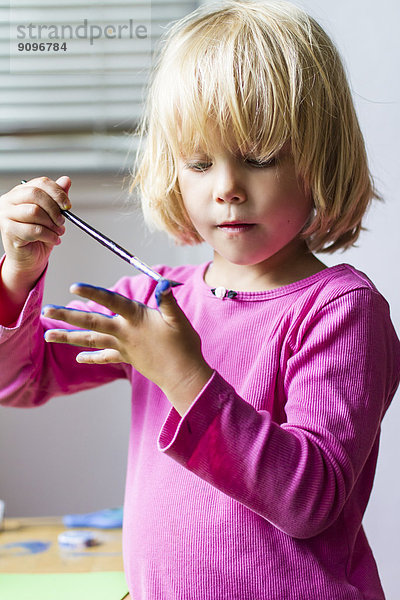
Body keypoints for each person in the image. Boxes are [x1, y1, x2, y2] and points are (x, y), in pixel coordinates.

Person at [1, 1, 399, 598]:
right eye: (200, 161)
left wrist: (184, 375)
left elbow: (309, 499)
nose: (228, 188)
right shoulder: (156, 301)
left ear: (321, 161)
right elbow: (20, 381)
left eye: (260, 158)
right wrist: (17, 276)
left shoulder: (341, 311)